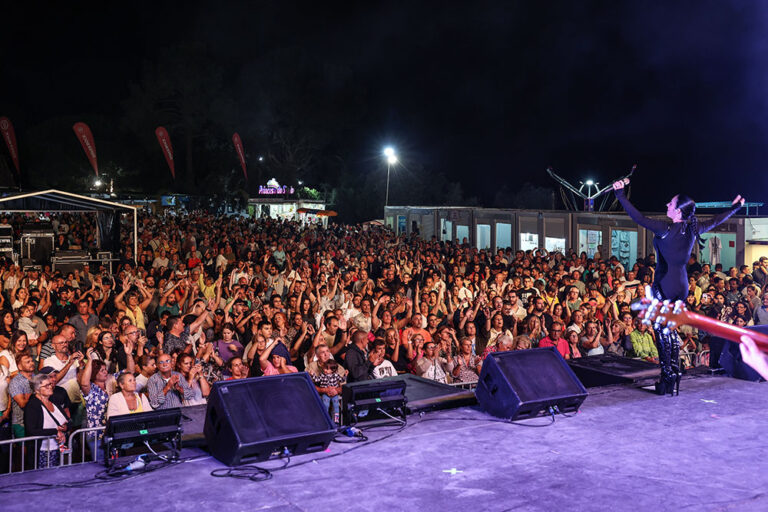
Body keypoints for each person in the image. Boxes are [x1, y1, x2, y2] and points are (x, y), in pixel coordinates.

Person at [613, 178, 744, 395]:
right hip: (681, 285)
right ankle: (674, 374)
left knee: (661, 330)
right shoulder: (693, 227)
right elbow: (717, 219)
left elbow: (638, 217)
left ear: (678, 211)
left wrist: (620, 195)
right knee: (668, 329)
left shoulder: (665, 228)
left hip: (664, 284)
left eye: (671, 204)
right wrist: (735, 208)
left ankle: (667, 379)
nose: (666, 205)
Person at [24, 374, 68, 468]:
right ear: (37, 390)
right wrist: (55, 431)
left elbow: (67, 420)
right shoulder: (32, 405)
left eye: (50, 384)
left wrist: (65, 427)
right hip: (43, 451)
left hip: (58, 448)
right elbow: (31, 430)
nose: (50, 387)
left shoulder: (54, 400)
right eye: (46, 386)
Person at [311, 359, 346, 424]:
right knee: (325, 405)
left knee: (336, 407)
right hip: (325, 393)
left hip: (334, 394)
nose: (325, 370)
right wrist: (313, 375)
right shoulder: (322, 375)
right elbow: (317, 380)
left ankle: (336, 421)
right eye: (324, 368)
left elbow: (341, 380)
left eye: (327, 369)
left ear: (332, 370)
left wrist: (345, 375)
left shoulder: (335, 375)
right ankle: (326, 420)